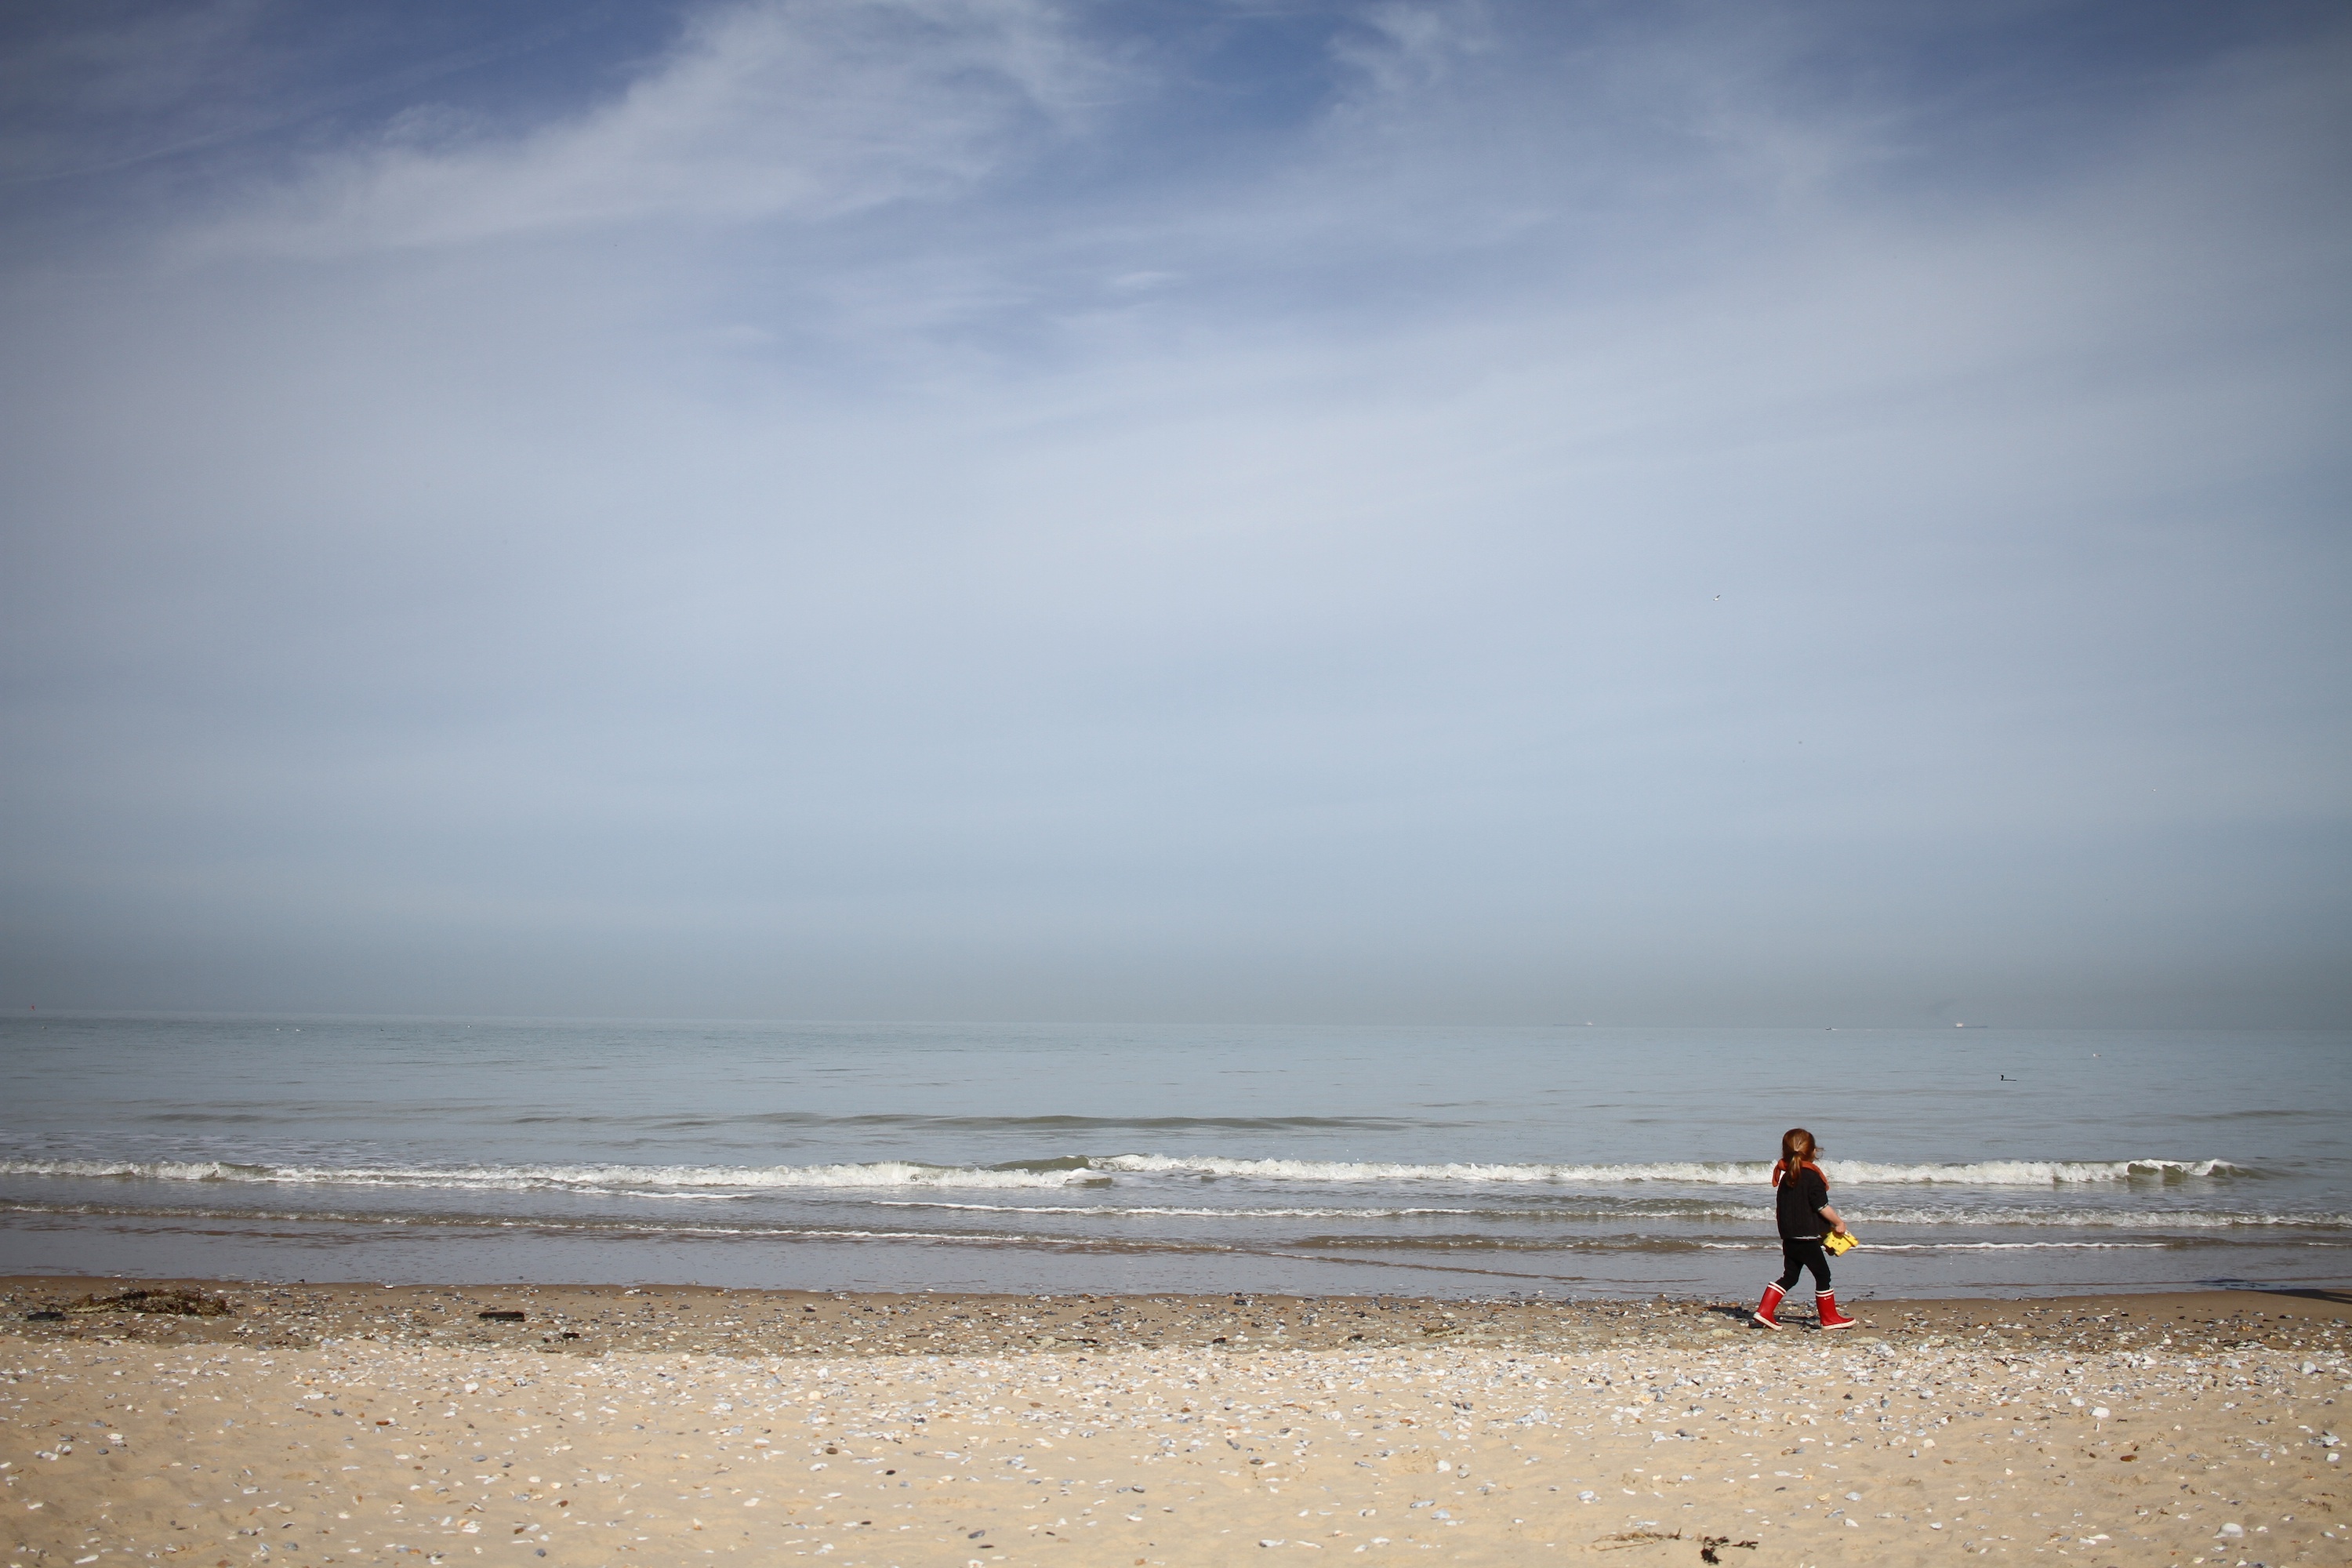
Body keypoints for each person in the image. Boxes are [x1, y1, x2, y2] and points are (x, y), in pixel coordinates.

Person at [1753, 1127, 1857, 1330]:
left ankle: (1764, 1311)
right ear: (1814, 1152)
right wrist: (1838, 1223)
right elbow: (1821, 1207)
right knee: (1823, 1276)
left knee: (1790, 1276)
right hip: (1806, 1239)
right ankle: (1829, 1318)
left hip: (1790, 1237)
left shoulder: (1786, 1177)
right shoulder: (1811, 1177)